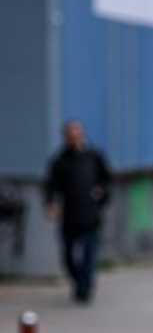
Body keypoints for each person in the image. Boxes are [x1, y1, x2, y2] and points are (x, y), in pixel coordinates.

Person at [43, 120, 112, 304]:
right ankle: (78, 279)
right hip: (69, 215)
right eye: (71, 134)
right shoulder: (60, 161)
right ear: (66, 137)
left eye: (77, 133)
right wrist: (51, 204)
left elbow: (106, 179)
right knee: (68, 256)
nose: (74, 137)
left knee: (89, 254)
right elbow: (51, 185)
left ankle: (85, 287)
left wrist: (102, 195)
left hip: (90, 214)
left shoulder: (94, 156)